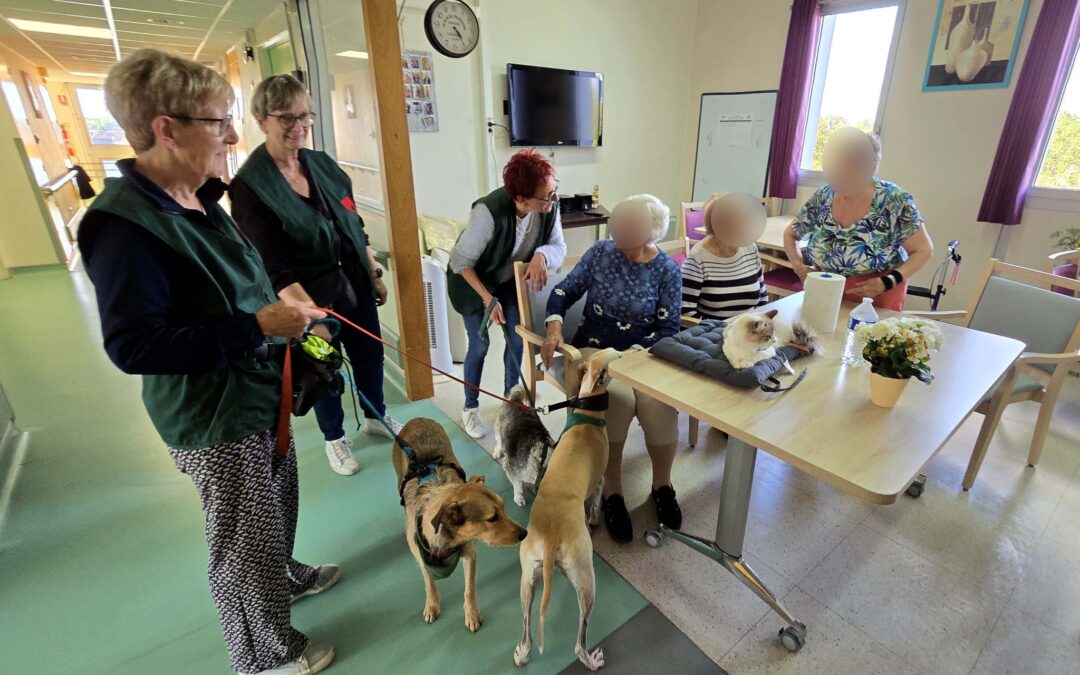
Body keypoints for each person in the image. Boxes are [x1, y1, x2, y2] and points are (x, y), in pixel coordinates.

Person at [78, 50, 337, 675]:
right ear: (166, 129)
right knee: (238, 545)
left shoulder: (196, 197)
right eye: (219, 120)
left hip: (255, 392)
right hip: (213, 417)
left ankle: (284, 573)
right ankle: (264, 654)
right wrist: (255, 327)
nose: (231, 133)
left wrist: (282, 317)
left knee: (274, 505)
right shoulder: (123, 226)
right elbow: (134, 346)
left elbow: (234, 283)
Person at [230, 74, 399, 477]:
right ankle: (334, 438)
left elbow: (352, 223)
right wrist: (310, 319)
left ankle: (377, 414)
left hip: (354, 281)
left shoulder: (321, 164)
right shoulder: (250, 187)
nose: (299, 125)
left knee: (369, 354)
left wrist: (373, 271)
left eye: (305, 115)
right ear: (260, 119)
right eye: (286, 117)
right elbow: (272, 267)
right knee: (324, 369)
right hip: (307, 295)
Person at [541, 194, 683, 544]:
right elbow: (562, 290)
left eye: (630, 225)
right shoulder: (600, 253)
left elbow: (668, 329)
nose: (617, 230)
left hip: (643, 353)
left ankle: (662, 485)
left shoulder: (667, 270)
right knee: (617, 399)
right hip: (593, 347)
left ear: (651, 230)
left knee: (658, 403)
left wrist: (632, 354)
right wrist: (554, 327)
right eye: (618, 222)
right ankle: (612, 493)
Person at [448, 150, 567, 439]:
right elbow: (460, 262)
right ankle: (470, 407)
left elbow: (558, 247)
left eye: (554, 191)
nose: (552, 200)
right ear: (521, 199)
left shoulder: (549, 207)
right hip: (473, 283)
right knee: (478, 346)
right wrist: (488, 299)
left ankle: (509, 401)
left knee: (517, 341)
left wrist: (541, 254)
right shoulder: (486, 213)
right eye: (546, 197)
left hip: (510, 283)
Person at [783, 127, 933, 311]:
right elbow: (791, 234)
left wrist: (887, 282)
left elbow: (923, 250)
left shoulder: (892, 199)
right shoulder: (823, 196)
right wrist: (799, 266)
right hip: (824, 290)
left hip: (876, 295)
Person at [682, 192, 769, 320]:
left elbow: (763, 297)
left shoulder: (750, 248)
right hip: (714, 333)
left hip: (751, 330)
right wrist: (724, 330)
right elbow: (685, 311)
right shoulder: (698, 258)